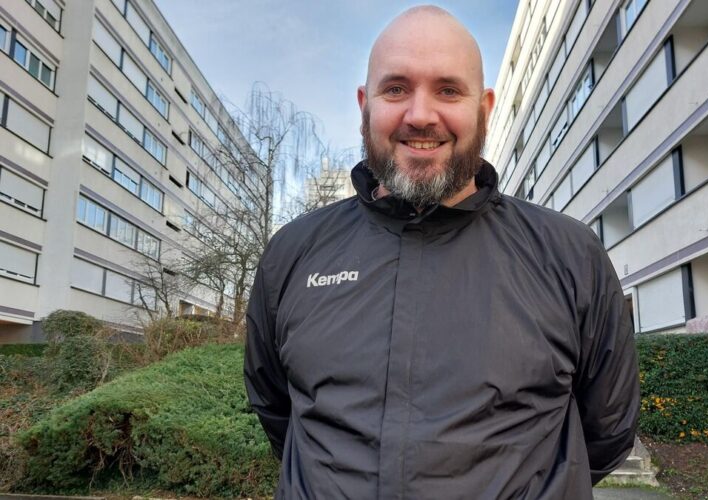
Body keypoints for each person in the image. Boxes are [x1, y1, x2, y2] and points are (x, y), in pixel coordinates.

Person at [244, 5, 639, 499]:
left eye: (448, 90)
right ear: (365, 104)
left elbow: (607, 430)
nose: (421, 115)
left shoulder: (569, 255)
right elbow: (277, 410)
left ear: (485, 108)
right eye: (396, 89)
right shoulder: (294, 253)